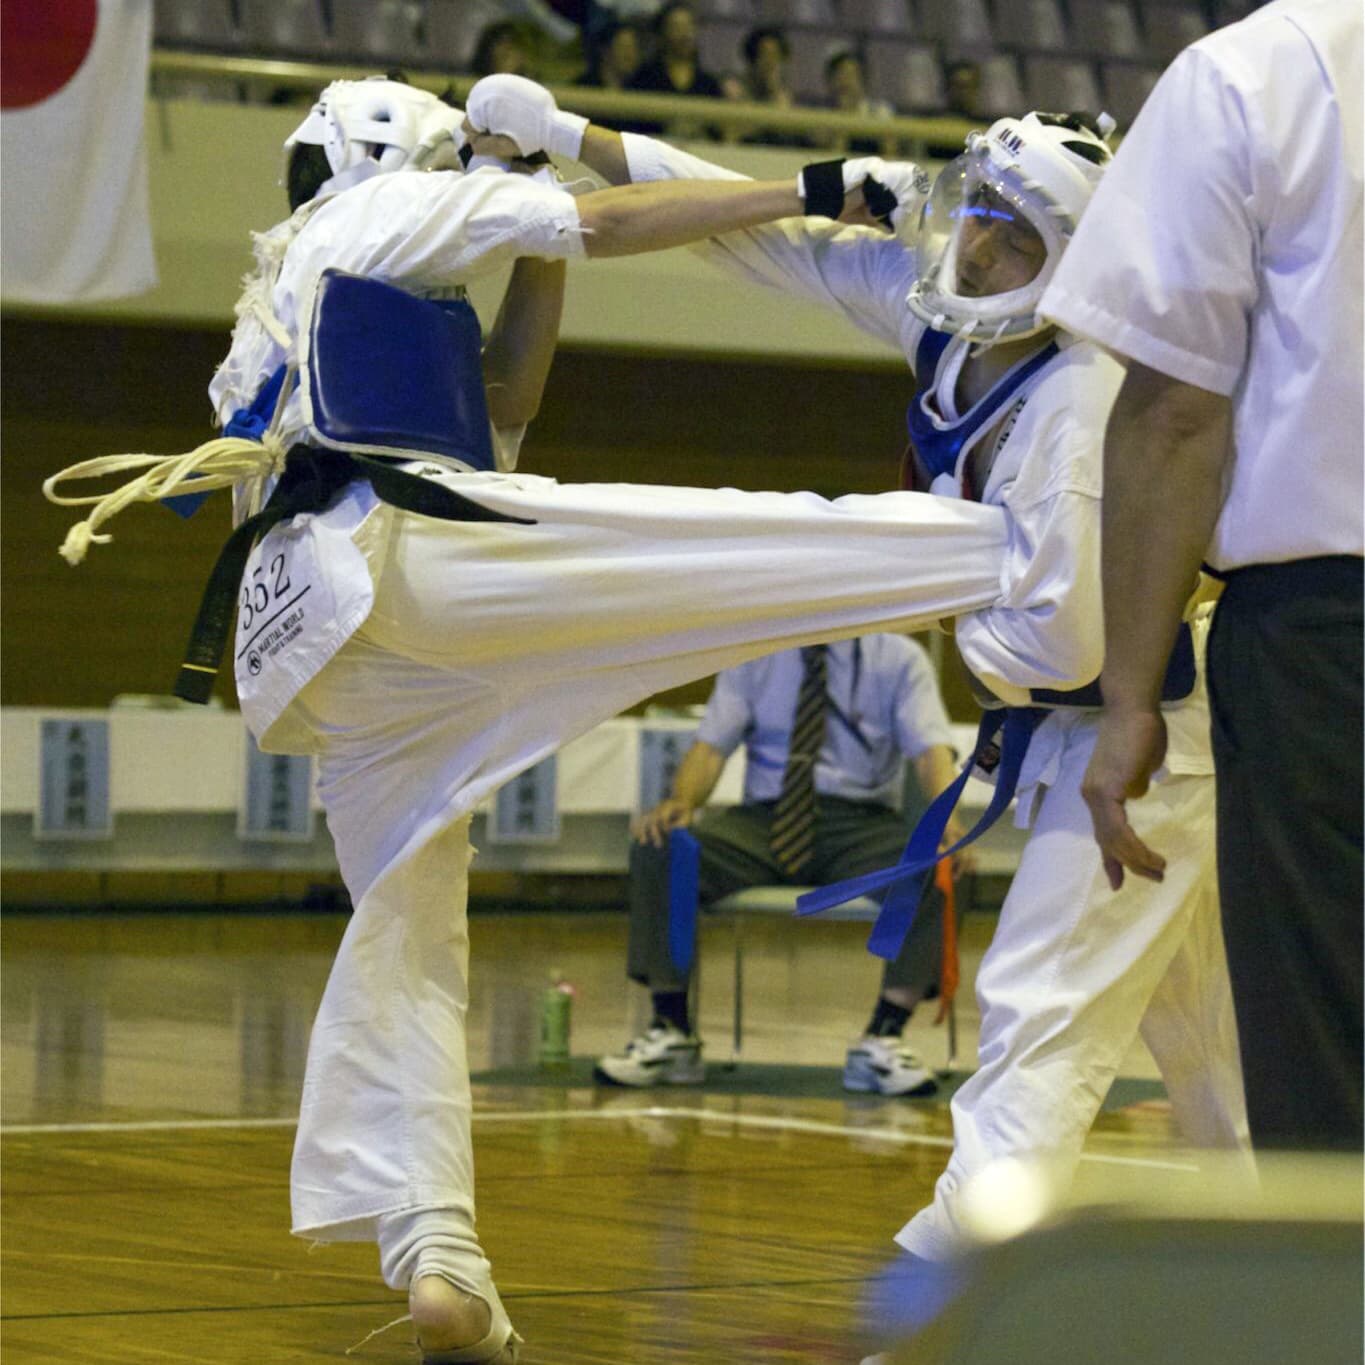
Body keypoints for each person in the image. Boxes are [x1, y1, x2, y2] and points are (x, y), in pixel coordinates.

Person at [45, 76, 1015, 1363]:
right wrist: (816, 189)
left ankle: (438, 1256)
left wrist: (535, 207)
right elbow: (611, 229)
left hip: (309, 638)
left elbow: (508, 394)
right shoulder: (386, 209)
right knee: (705, 544)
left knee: (408, 939)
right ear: (408, 152)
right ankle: (1020, 554)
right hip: (398, 552)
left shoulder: (301, 289)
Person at [467, 74, 1251, 1286]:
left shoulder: (1083, 406)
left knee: (1043, 1010)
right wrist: (572, 134)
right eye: (978, 206)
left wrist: (899, 575)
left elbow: (1065, 649)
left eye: (1015, 232)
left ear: (1072, 269)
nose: (979, 242)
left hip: (1131, 745)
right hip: (1071, 736)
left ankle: (950, 1288)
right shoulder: (948, 315)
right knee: (1209, 1050)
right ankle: (1304, 1262)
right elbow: (755, 234)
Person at [1041, 0, 1363, 1152]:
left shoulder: (1251, 75)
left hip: (1331, 645)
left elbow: (1176, 412)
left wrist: (1131, 694)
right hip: (1323, 630)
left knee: (1336, 1041)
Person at [597, 634, 964, 1094]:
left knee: (931, 864)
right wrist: (682, 800)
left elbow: (931, 751)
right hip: (764, 821)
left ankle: (883, 1038)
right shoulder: (755, 654)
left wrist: (945, 819)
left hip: (859, 822)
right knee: (662, 848)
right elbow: (710, 748)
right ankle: (671, 1030)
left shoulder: (898, 658)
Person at [625, 1, 725, 138]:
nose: (685, 35)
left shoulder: (708, 84)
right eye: (676, 27)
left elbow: (718, 131)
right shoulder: (643, 78)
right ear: (661, 33)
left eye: (689, 27)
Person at [733, 25, 814, 149]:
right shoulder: (736, 89)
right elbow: (740, 131)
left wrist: (774, 90)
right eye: (764, 55)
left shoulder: (786, 95)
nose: (769, 62)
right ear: (753, 59)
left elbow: (786, 129)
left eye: (775, 56)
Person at [819, 48, 894, 156]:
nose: (845, 81)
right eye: (839, 75)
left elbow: (890, 153)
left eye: (851, 75)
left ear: (863, 79)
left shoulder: (879, 111)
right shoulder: (822, 113)